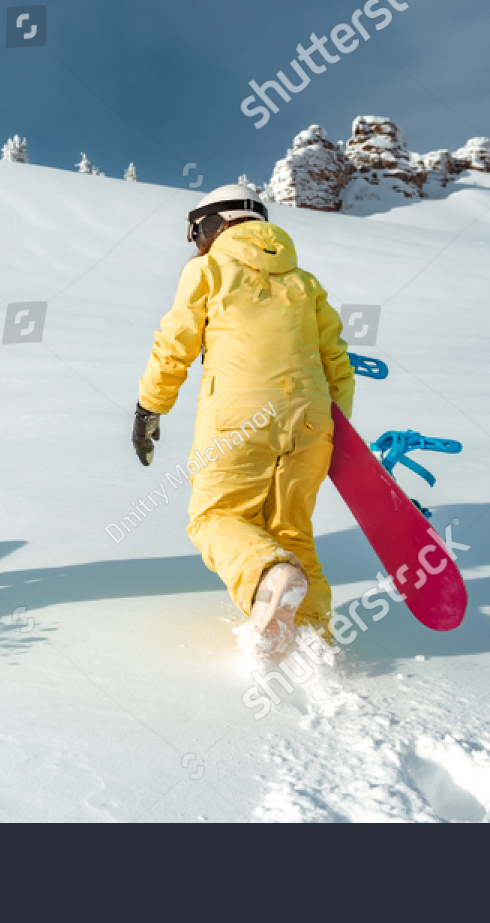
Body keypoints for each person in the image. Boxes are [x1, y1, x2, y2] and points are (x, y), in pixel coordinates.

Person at [132, 184, 354, 655]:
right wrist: (333, 431)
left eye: (197, 232)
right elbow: (338, 363)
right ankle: (311, 637)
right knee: (291, 530)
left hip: (240, 413)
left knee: (214, 516)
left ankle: (268, 577)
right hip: (312, 421)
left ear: (215, 223)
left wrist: (150, 407)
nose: (197, 244)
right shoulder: (306, 283)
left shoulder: (208, 268)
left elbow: (176, 344)